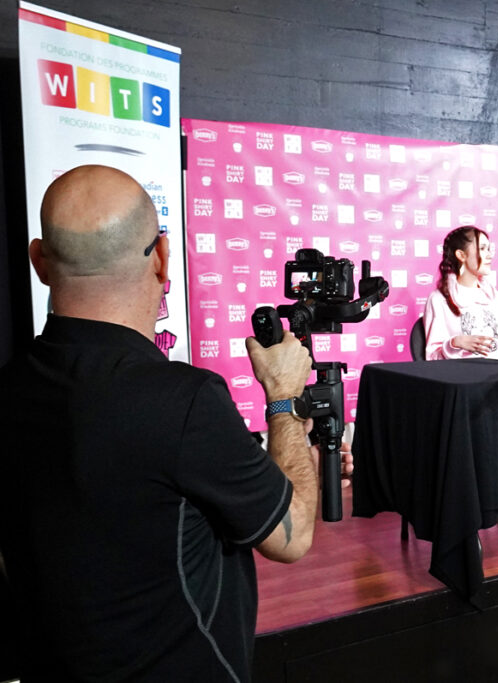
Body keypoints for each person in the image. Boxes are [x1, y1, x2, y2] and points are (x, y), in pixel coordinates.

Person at [0, 165, 345, 681]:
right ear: (162, 256)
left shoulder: (9, 387)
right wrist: (282, 401)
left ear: (39, 262)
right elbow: (290, 538)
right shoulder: (184, 401)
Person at [423, 225, 498, 360]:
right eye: (482, 249)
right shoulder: (439, 299)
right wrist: (454, 344)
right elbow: (432, 358)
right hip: (462, 372)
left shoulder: (495, 297)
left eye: (489, 249)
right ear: (461, 255)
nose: (489, 255)